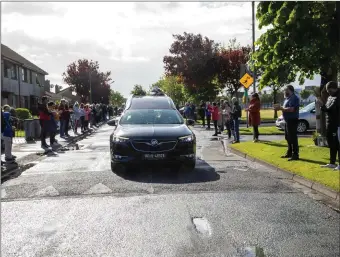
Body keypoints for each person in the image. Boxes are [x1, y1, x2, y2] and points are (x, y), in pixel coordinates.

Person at [275, 85, 300, 161]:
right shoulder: (287, 98)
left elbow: (292, 109)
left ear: (290, 90)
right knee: (287, 137)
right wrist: (280, 108)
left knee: (293, 137)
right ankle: (289, 152)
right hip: (287, 120)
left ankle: (295, 154)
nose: (284, 92)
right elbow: (285, 108)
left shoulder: (294, 98)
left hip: (292, 120)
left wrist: (281, 108)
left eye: (286, 90)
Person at [319, 81, 340, 170]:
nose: (328, 92)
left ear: (334, 88)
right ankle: (332, 162)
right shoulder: (331, 97)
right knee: (332, 144)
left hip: (337, 124)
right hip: (330, 124)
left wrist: (322, 105)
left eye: (329, 90)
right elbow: (327, 108)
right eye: (327, 91)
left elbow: (329, 108)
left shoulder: (338, 97)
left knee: (338, 144)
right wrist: (323, 106)